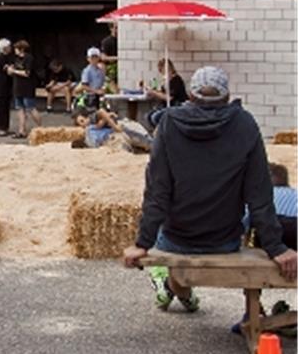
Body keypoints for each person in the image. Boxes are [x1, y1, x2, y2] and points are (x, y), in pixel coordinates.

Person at [122, 66, 298, 312]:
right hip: (224, 241)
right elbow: (259, 194)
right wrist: (276, 247)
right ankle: (178, 288)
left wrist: (142, 243)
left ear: (190, 96)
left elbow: (157, 191)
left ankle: (173, 285)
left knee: (171, 249)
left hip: (175, 239)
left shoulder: (169, 123)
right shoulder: (244, 123)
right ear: (227, 96)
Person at [144, 58, 188, 128]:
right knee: (148, 116)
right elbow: (163, 94)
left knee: (155, 117)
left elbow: (169, 98)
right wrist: (154, 93)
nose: (162, 73)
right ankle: (159, 132)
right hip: (167, 106)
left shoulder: (176, 80)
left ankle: (162, 131)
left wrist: (154, 92)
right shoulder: (167, 80)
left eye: (162, 70)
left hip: (177, 107)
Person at [10, 40, 41, 138]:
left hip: (27, 87)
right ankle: (21, 131)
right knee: (20, 109)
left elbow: (27, 73)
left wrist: (14, 71)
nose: (15, 51)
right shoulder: (16, 58)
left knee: (31, 108)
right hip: (17, 86)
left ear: (21, 49)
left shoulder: (29, 58)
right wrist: (10, 70)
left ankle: (41, 128)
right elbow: (13, 70)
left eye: (16, 49)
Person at [0, 39, 14, 137]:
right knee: (2, 107)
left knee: (5, 107)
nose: (10, 48)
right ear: (5, 48)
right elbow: (9, 71)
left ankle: (4, 127)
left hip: (6, 85)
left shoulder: (5, 57)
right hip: (2, 85)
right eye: (9, 47)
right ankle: (0, 128)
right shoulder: (0, 57)